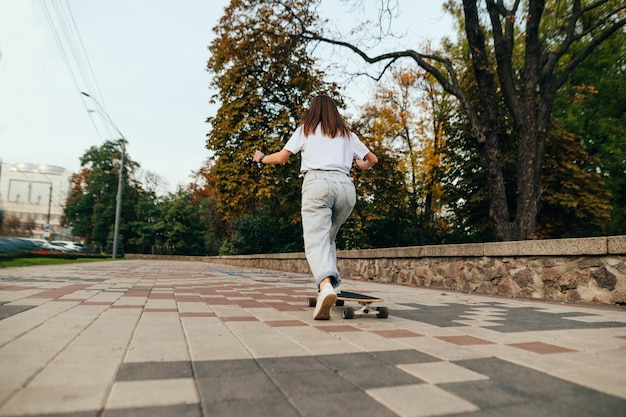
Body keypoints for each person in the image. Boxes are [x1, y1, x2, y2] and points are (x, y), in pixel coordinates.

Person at [253, 95, 378, 320]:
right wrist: (362, 165)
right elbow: (373, 160)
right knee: (328, 238)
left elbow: (281, 158)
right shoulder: (347, 135)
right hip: (346, 188)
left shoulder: (306, 130)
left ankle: (326, 286)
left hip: (318, 185)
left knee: (315, 241)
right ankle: (332, 286)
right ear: (334, 112)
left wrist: (261, 159)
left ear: (313, 111)